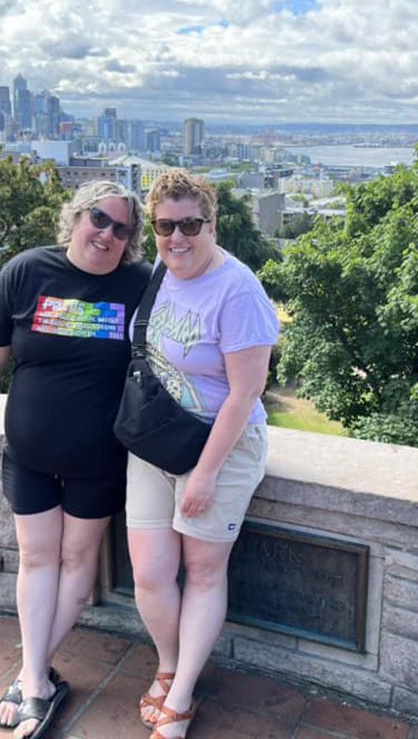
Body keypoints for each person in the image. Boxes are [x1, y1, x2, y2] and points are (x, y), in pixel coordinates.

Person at [0, 180, 150, 739]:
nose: (108, 233)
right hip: (30, 453)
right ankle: (37, 677)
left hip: (100, 458)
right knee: (37, 560)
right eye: (99, 218)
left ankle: (32, 678)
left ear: (130, 240)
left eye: (122, 228)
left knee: (75, 563)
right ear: (76, 217)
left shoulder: (139, 284)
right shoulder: (26, 271)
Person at [125, 170, 279, 739]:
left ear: (211, 224)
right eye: (167, 226)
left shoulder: (237, 289)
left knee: (203, 570)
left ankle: (183, 692)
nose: (178, 237)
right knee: (149, 571)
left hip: (220, 446)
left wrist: (205, 474)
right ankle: (168, 662)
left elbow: (246, 391)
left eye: (191, 224)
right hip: (157, 438)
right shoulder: (162, 272)